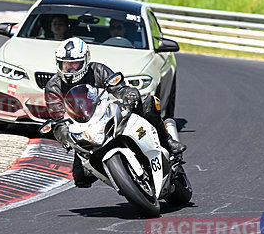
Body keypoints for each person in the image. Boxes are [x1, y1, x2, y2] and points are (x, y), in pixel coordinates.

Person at [44, 37, 187, 188]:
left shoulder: (98, 70)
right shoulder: (53, 86)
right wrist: (65, 137)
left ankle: (167, 142)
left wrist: (129, 95)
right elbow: (58, 118)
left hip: (107, 115)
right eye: (65, 64)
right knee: (81, 178)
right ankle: (119, 176)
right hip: (83, 130)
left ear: (85, 60)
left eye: (74, 63)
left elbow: (119, 88)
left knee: (148, 102)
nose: (70, 69)